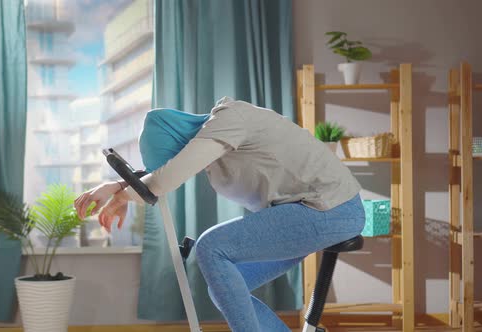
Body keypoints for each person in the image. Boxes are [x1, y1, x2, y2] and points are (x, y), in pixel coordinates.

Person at [74, 96, 365, 332]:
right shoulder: (217, 145)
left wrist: (122, 195)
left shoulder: (229, 118)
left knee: (211, 247)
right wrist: (116, 186)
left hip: (328, 209)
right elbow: (159, 175)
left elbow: (165, 178)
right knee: (224, 288)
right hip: (303, 213)